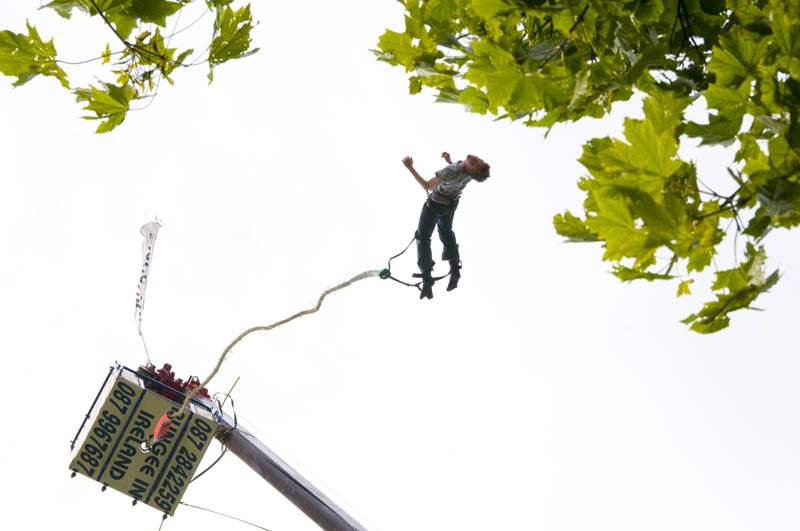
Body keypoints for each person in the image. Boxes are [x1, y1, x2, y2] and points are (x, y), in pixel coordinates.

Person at [402, 152, 491, 299]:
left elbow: (426, 185)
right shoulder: (468, 173)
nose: (475, 159)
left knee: (423, 237)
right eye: (479, 160)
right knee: (446, 232)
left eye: (475, 163)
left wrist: (410, 168)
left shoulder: (451, 172)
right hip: (451, 203)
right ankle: (455, 267)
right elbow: (457, 169)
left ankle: (426, 277)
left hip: (435, 205)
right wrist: (449, 160)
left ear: (470, 171)